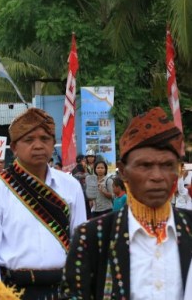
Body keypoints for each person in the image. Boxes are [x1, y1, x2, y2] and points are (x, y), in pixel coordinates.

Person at [62, 107, 192, 299]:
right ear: (123, 172)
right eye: (145, 166)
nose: (157, 176)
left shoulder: (188, 227)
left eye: (167, 165)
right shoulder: (93, 237)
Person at [0, 108, 86, 300]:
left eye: (45, 138)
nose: (38, 145)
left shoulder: (71, 186)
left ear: (53, 144)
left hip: (62, 289)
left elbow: (81, 243)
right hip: (15, 291)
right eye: (29, 139)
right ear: (14, 147)